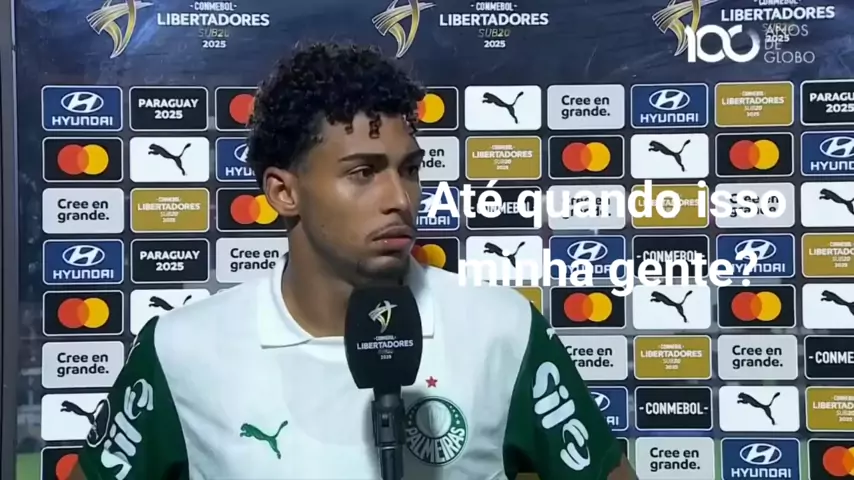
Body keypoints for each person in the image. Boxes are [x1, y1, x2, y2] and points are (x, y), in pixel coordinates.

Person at [74, 42, 637, 480]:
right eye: (363, 173)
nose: (400, 199)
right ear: (284, 192)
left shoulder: (501, 330)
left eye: (409, 170)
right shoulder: (181, 350)